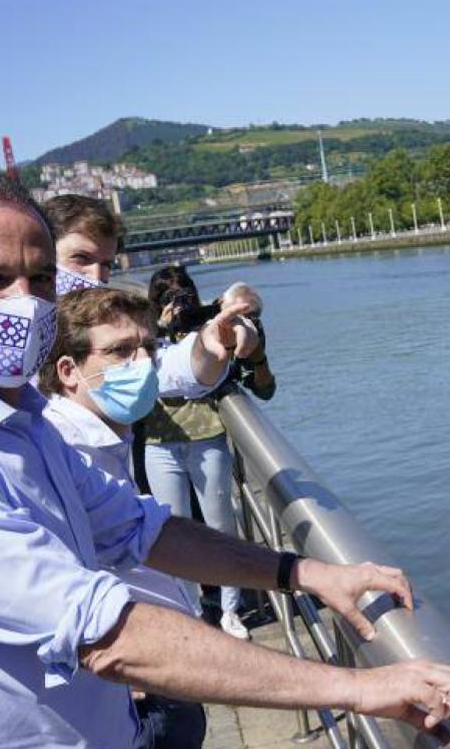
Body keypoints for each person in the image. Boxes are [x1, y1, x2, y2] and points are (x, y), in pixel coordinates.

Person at [0, 177, 450, 748]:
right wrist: (361, 688)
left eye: (40, 278)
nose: (23, 302)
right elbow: (103, 633)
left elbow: (144, 529)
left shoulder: (18, 413)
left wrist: (306, 573)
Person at [39, 287, 211, 748]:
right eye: (119, 351)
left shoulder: (107, 440)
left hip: (160, 681)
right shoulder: (63, 454)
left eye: (148, 348)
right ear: (68, 371)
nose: (140, 364)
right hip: (136, 696)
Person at [142, 266, 271, 638]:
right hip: (158, 440)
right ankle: (192, 610)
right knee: (172, 529)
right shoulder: (144, 330)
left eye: (184, 294)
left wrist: (236, 326)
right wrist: (161, 328)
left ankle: (231, 610)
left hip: (206, 434)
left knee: (220, 526)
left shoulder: (208, 320)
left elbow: (246, 329)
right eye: (168, 297)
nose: (178, 302)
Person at [44, 194, 242, 400]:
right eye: (81, 258)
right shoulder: (16, 333)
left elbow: (172, 368)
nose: (96, 276)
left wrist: (212, 342)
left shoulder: (107, 324)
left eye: (106, 265)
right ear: (41, 254)